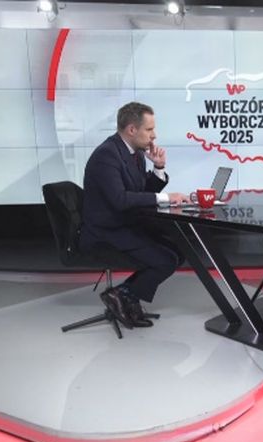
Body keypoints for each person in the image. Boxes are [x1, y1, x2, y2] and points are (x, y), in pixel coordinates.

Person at [80, 102, 191, 329]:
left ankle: (124, 296)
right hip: (105, 232)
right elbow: (121, 200)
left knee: (178, 252)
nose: (154, 135)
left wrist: (158, 168)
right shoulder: (106, 155)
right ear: (132, 129)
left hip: (125, 225)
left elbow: (140, 193)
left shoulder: (135, 153)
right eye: (149, 129)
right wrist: (167, 197)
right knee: (165, 259)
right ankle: (123, 295)